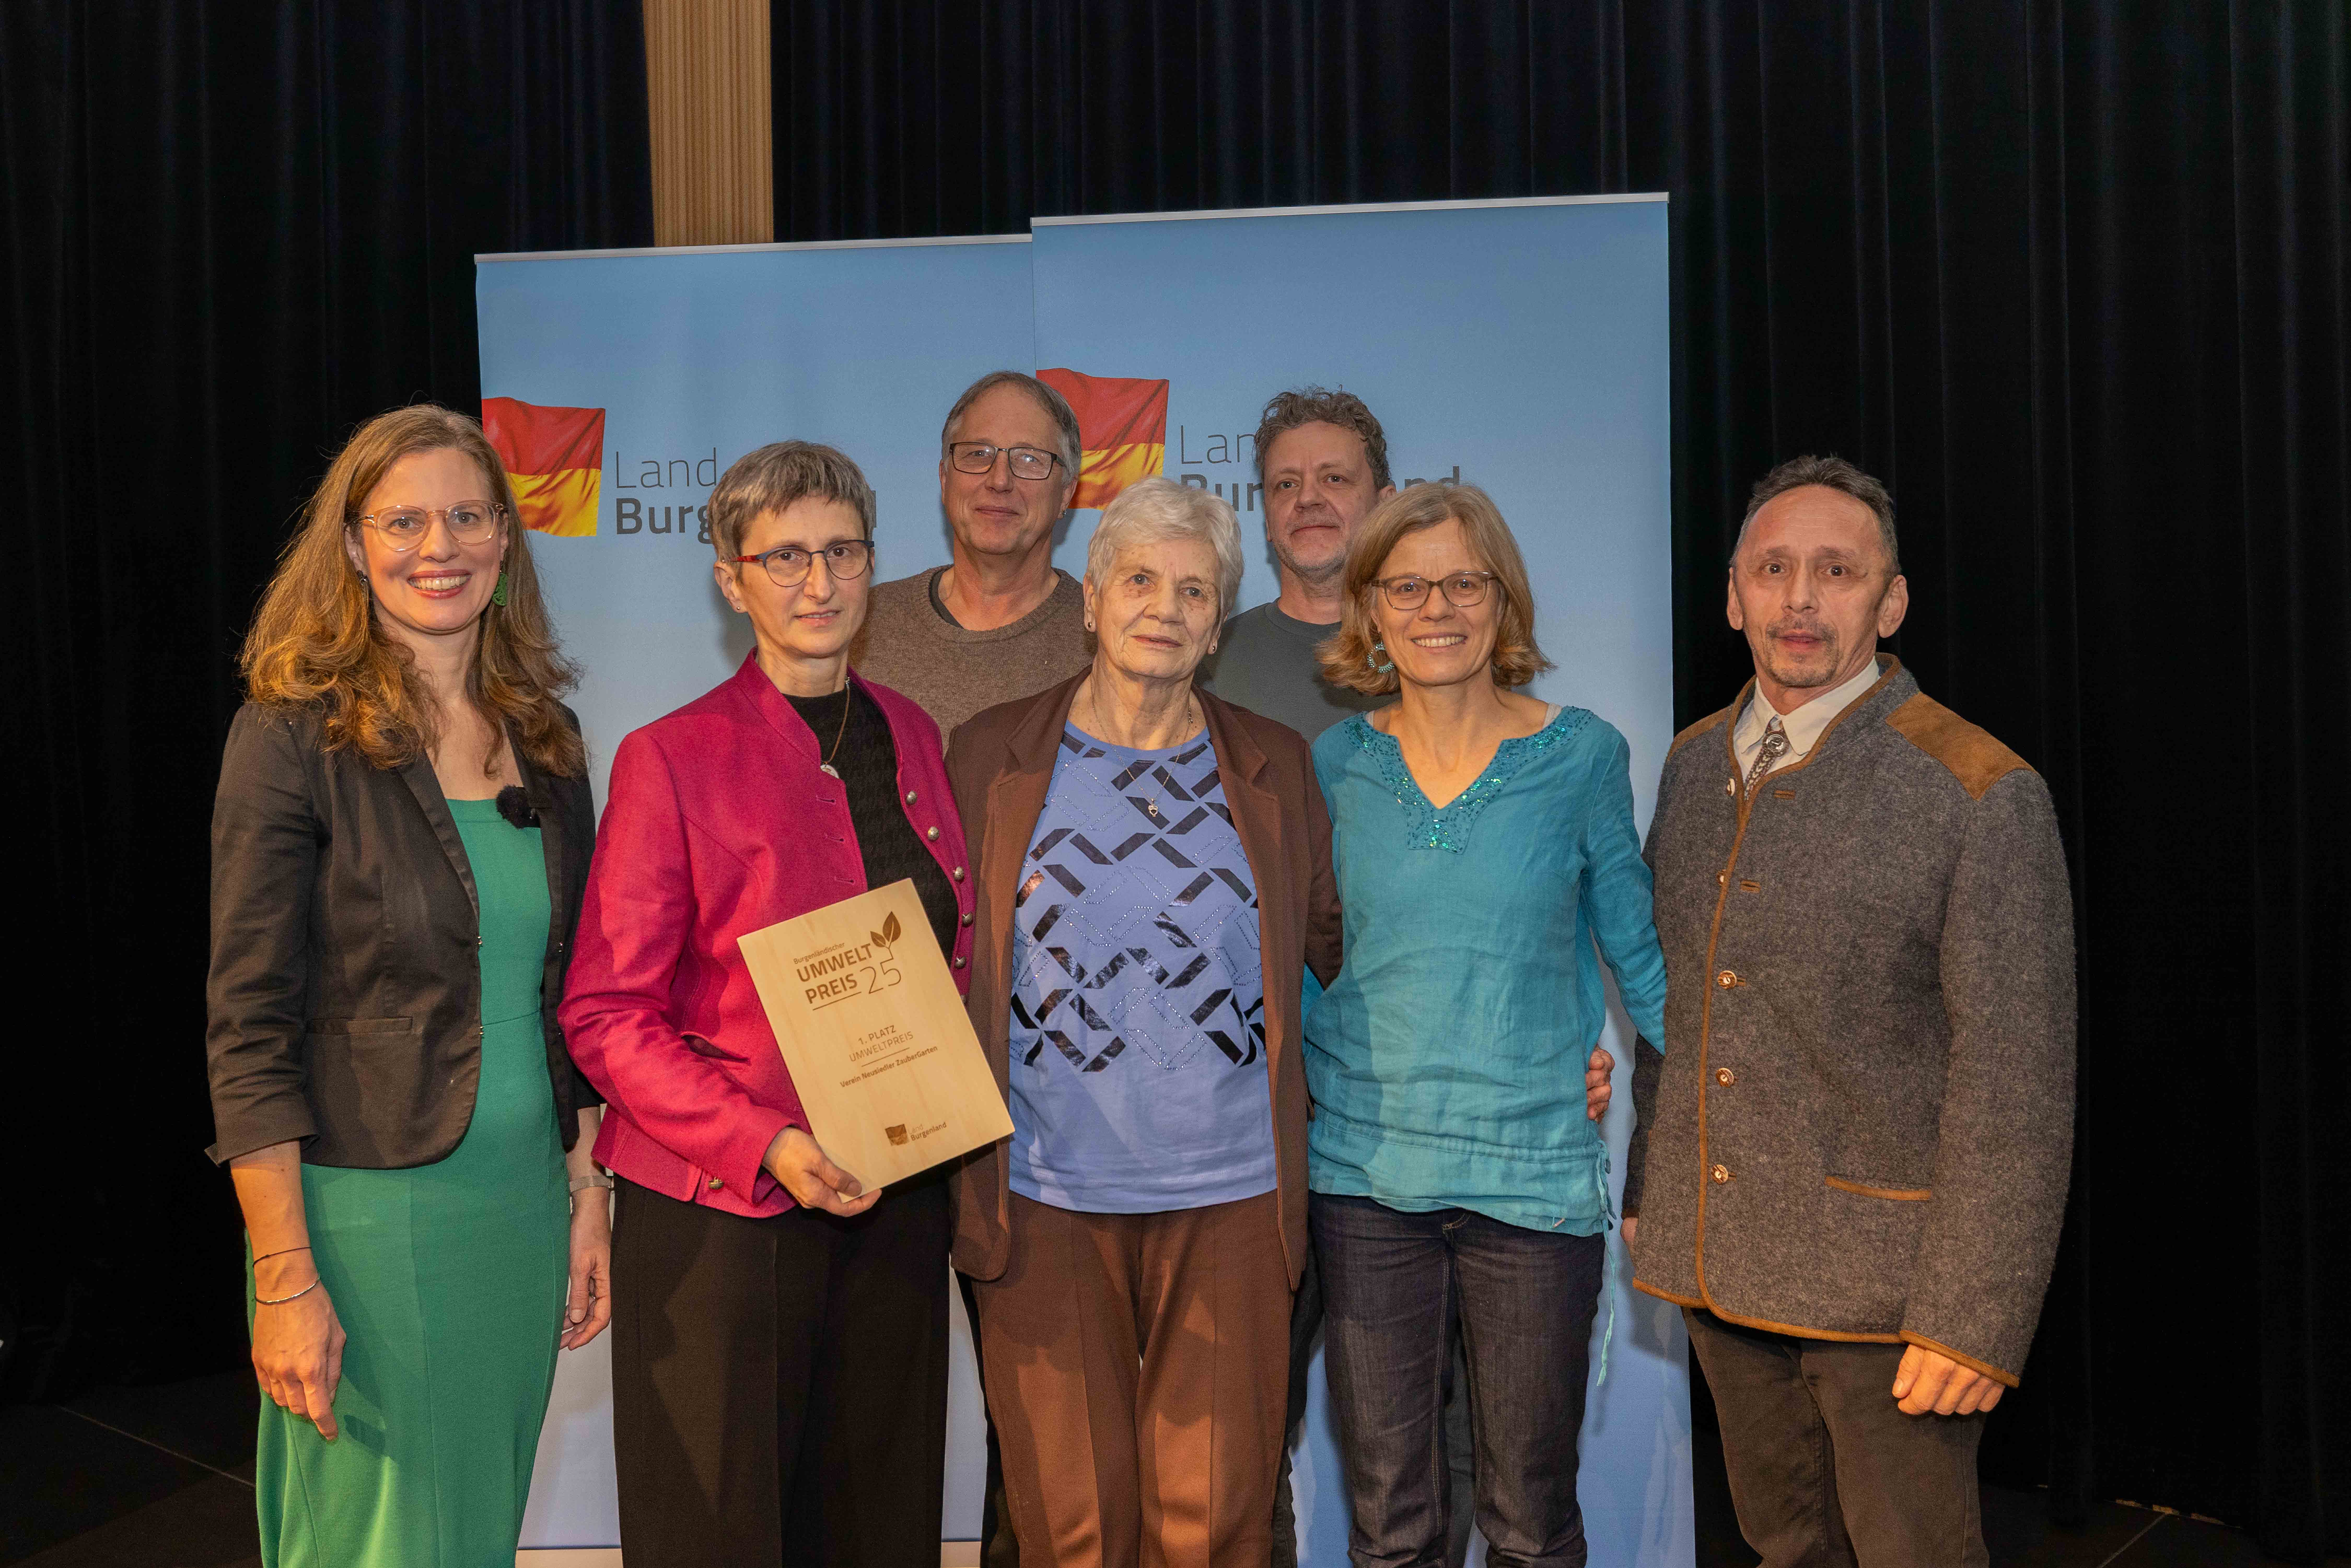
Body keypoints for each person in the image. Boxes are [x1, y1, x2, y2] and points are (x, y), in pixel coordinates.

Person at [1626, 456, 2074, 1567]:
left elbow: (2017, 1082)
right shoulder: (1691, 764)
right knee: (1786, 1548)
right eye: (1773, 569)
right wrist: (1650, 1187)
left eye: (1837, 571)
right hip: (1719, 1267)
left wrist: (1974, 1316)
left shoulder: (1977, 788)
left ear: (1892, 600)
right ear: (1733, 596)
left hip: (1891, 1299)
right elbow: (1668, 1001)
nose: (1800, 598)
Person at [1201, 389, 1614, 1568]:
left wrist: (1552, 1039)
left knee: (1494, 1468)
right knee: (1267, 1436)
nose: (1310, 500)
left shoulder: (1508, 698)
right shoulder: (1213, 657)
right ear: (1263, 510)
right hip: (1292, 1137)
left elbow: (1549, 903)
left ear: (1384, 501)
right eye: (1285, 482)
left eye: (1336, 477)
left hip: (1469, 1140)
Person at [206, 403, 611, 1566]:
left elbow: (563, 993)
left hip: (522, 1213)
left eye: (468, 515)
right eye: (405, 520)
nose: (441, 545)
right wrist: (284, 1277)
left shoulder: (551, 738)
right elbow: (247, 1026)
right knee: (374, 1540)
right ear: (352, 545)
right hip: (368, 1218)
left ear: (504, 538)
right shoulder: (291, 739)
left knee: (473, 1532)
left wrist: (589, 1195)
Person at [559, 442, 976, 1566]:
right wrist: (766, 1140)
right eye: (783, 555)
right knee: (721, 1530)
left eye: (842, 550)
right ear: (730, 578)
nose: (819, 580)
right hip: (726, 1216)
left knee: (880, 1522)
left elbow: (950, 951)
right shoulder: (673, 757)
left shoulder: (915, 734)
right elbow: (604, 1011)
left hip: (893, 1196)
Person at [945, 476, 1343, 1568]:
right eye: (1138, 580)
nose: (1164, 607)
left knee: (1212, 1527)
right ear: (1091, 599)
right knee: (1070, 1525)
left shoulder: (1276, 764)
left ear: (1218, 623)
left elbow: (1338, 957)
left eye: (1194, 589)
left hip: (1232, 1200)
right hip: (1040, 1198)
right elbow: (933, 956)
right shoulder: (985, 757)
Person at [1305, 482, 1667, 1568]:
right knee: (1391, 1521)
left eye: (1465, 581)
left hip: (1533, 1183)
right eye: (1406, 585)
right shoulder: (1331, 769)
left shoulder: (1584, 758)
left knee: (1527, 1521)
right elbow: (1310, 969)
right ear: (1368, 607)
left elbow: (1638, 961)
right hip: (1365, 1182)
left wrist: (1689, 1132)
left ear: (1504, 602)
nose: (1438, 607)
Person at [853, 370, 1095, 737]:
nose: (999, 480)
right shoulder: (860, 625)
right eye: (978, 454)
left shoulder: (1108, 640)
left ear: (1066, 494)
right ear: (944, 479)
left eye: (1029, 459)